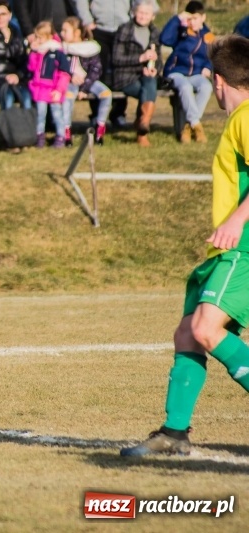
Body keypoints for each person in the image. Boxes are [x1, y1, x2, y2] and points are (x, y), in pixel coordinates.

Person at [120, 35, 249, 457]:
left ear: (218, 81)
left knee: (205, 329)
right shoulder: (239, 119)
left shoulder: (247, 117)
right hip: (228, 251)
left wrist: (236, 219)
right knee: (188, 333)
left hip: (244, 248)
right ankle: (174, 434)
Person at [72, 0, 143, 127]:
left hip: (123, 27)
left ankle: (118, 113)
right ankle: (96, 114)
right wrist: (87, 20)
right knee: (97, 73)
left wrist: (133, 17)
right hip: (99, 29)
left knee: (121, 72)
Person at [159, 1, 214, 144]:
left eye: (195, 18)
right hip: (176, 72)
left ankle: (188, 126)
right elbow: (164, 39)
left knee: (206, 87)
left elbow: (212, 55)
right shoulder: (181, 32)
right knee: (185, 87)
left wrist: (208, 67)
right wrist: (177, 19)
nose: (192, 22)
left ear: (203, 17)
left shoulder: (207, 35)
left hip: (196, 73)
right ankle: (196, 125)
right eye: (190, 19)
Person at [111, 0, 161, 147]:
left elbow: (158, 59)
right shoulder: (125, 29)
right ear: (134, 13)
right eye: (140, 12)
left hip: (145, 76)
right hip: (125, 76)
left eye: (147, 13)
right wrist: (140, 59)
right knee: (147, 90)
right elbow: (116, 58)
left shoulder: (154, 32)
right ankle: (142, 130)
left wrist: (155, 69)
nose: (143, 16)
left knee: (150, 81)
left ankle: (143, 124)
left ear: (152, 16)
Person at [60, 16, 113, 145]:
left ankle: (100, 129)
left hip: (89, 81)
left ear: (77, 32)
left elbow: (96, 69)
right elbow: (60, 67)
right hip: (70, 82)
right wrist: (71, 76)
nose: (62, 33)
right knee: (67, 97)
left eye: (65, 30)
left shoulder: (90, 48)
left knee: (106, 94)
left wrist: (85, 88)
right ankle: (66, 132)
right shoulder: (62, 49)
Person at [26, 21, 71, 149]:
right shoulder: (38, 52)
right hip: (40, 89)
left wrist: (59, 90)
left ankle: (60, 136)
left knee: (57, 114)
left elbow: (64, 73)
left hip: (53, 89)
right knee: (40, 114)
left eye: (40, 37)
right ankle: (40, 136)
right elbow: (31, 67)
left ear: (49, 36)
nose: (38, 40)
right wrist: (33, 53)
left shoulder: (57, 52)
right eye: (36, 37)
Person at [12, 0, 77, 43]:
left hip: (64, 30)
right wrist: (29, 31)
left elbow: (71, 4)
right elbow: (20, 7)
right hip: (41, 32)